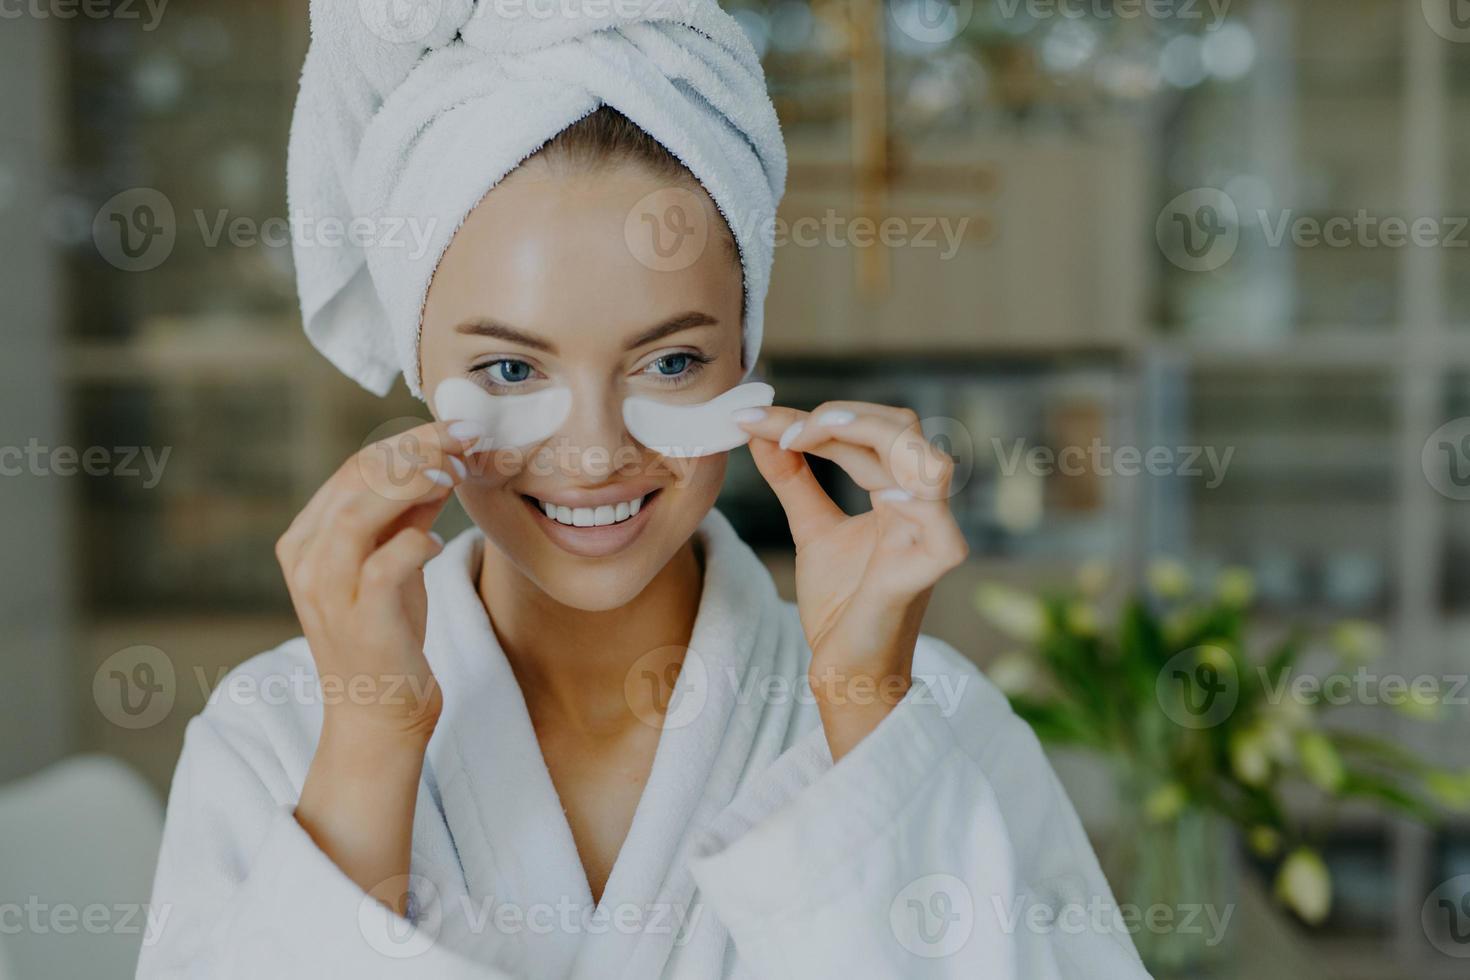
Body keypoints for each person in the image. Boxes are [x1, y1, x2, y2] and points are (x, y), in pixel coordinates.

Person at [137, 2, 1152, 977]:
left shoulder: (921, 712)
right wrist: (368, 738)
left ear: (746, 358)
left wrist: (861, 712)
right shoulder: (277, 730)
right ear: (419, 368)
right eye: (509, 371)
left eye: (669, 363)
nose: (591, 452)